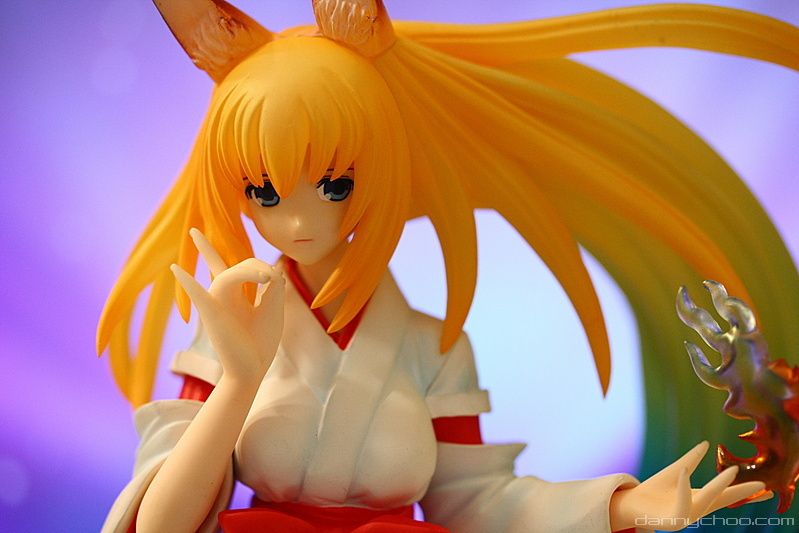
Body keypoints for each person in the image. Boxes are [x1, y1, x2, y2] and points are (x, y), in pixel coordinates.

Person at [97, 1, 799, 531]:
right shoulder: (235, 329)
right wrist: (238, 381)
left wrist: (620, 506)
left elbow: (477, 502)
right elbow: (160, 524)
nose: (300, 222)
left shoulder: (433, 346)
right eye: (264, 191)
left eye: (335, 183)